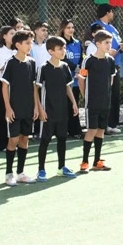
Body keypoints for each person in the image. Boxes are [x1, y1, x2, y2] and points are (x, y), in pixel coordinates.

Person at [35, 36, 79, 180]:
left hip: (62, 110)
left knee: (62, 138)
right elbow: (35, 89)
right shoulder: (43, 68)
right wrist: (40, 109)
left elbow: (67, 86)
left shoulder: (65, 67)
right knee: (45, 140)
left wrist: (73, 102)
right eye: (60, 49)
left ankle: (61, 167)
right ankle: (41, 170)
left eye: (64, 48)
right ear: (51, 51)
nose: (63, 51)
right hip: (48, 111)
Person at [0, 30, 40, 185]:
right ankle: (8, 174)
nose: (30, 45)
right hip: (14, 109)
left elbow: (34, 87)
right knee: (13, 140)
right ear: (18, 45)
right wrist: (8, 108)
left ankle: (20, 173)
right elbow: (4, 87)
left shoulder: (32, 62)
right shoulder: (11, 63)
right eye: (27, 43)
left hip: (28, 108)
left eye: (31, 42)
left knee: (25, 139)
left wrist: (36, 107)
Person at [78, 30, 116, 172]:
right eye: (106, 43)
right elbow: (81, 79)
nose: (109, 45)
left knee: (100, 131)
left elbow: (111, 79)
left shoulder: (110, 61)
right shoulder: (88, 60)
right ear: (98, 44)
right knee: (91, 130)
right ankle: (84, 162)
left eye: (110, 42)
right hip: (92, 103)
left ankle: (97, 162)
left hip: (105, 102)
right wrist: (85, 96)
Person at [91, 5, 122, 132]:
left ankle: (113, 124)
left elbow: (117, 43)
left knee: (115, 95)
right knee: (105, 95)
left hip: (115, 64)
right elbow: (92, 45)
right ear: (107, 12)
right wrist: (108, 53)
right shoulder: (95, 26)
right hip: (102, 65)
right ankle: (104, 124)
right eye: (112, 11)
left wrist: (121, 47)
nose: (113, 13)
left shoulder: (113, 28)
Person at [0, 26, 17, 150]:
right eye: (11, 33)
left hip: (15, 85)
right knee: (2, 112)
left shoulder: (16, 50)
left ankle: (13, 141)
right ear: (4, 36)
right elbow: (1, 68)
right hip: (2, 84)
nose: (14, 35)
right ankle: (2, 142)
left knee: (15, 112)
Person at [60, 19, 84, 137]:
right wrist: (75, 68)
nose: (71, 30)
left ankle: (75, 130)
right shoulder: (60, 43)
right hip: (64, 78)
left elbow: (81, 59)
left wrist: (79, 70)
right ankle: (64, 130)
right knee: (65, 105)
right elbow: (62, 59)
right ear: (63, 29)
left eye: (72, 27)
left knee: (75, 104)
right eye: (68, 27)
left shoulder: (78, 43)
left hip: (75, 80)